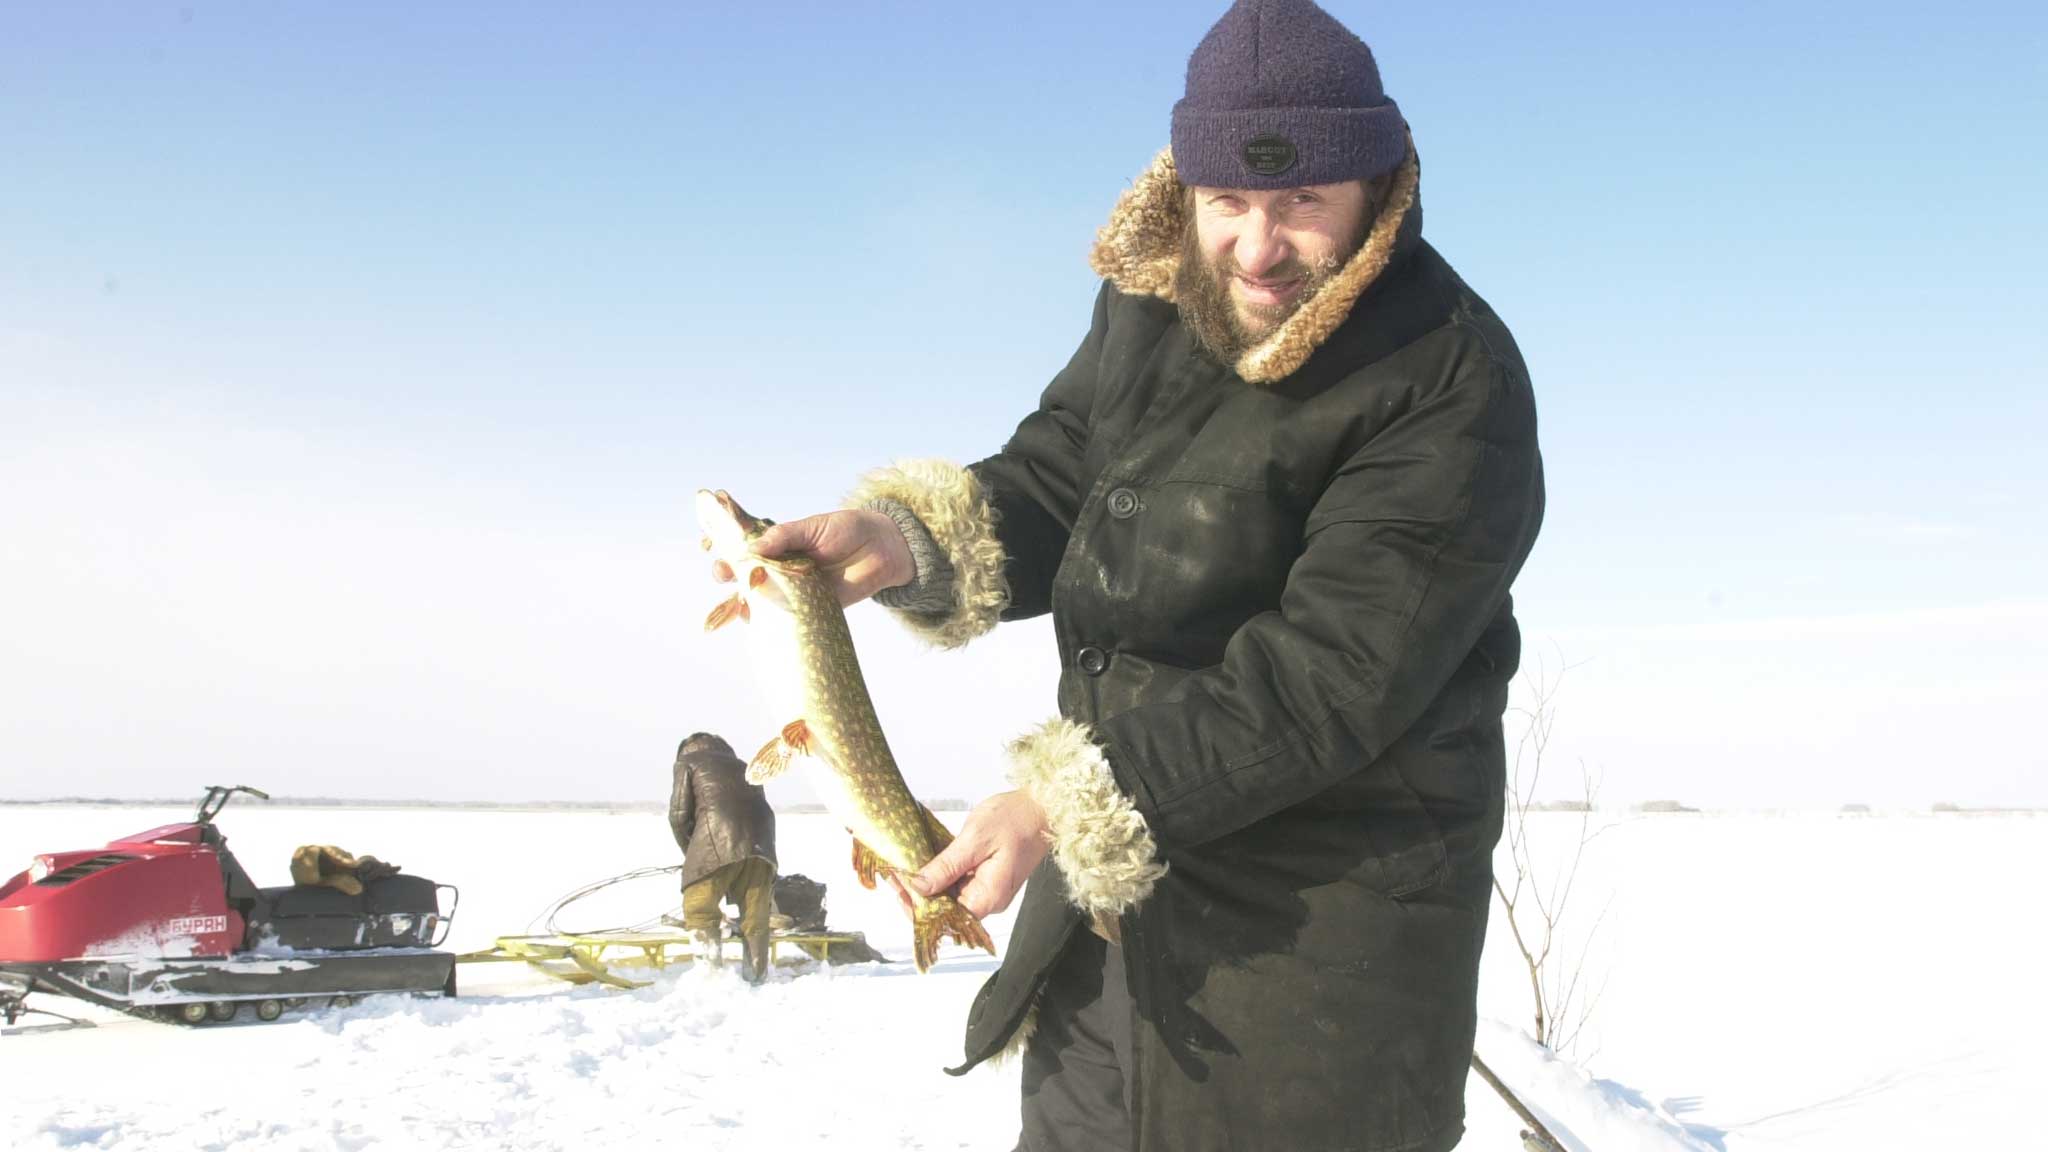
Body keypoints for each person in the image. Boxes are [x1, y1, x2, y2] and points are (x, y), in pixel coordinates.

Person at [714, 1, 1544, 1146]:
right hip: (1108, 924)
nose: (1257, 249)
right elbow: (1065, 473)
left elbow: (1332, 681)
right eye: (1228, 203)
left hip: (1313, 947)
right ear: (1186, 189)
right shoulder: (1157, 302)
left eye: (1300, 201)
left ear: (1376, 190)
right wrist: (908, 541)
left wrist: (1063, 801)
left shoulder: (1449, 380)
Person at [669, 732, 778, 984]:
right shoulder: (745, 766)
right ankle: (757, 978)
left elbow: (678, 815)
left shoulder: (688, 762)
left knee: (699, 909)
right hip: (762, 844)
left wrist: (692, 852)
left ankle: (710, 978)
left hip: (714, 841)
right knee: (756, 918)